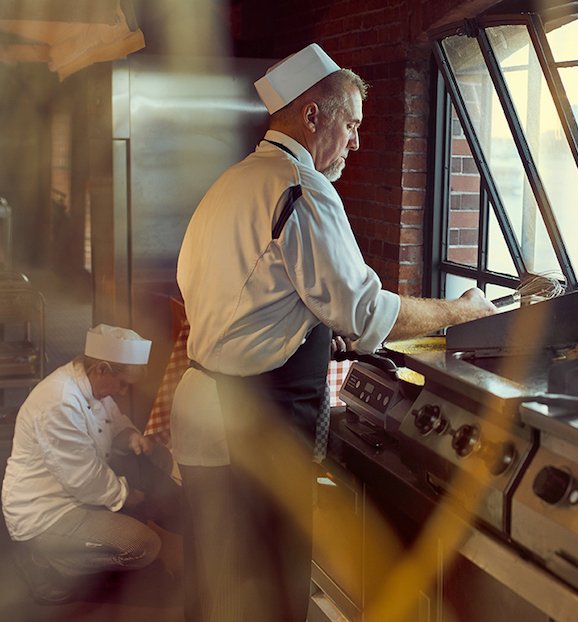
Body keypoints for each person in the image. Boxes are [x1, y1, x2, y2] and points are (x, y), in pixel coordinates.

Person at [172, 42, 495, 621]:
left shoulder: (234, 183)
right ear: (313, 115)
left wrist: (310, 329)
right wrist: (460, 313)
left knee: (218, 585)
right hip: (250, 428)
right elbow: (367, 314)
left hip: (208, 414)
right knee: (266, 593)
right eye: (350, 123)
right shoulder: (301, 186)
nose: (355, 140)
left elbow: (253, 300)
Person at [1, 324, 181, 604]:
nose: (122, 392)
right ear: (102, 369)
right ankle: (46, 561)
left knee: (139, 498)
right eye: (122, 383)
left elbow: (113, 422)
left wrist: (132, 436)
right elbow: (84, 478)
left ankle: (92, 564)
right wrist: (126, 496)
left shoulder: (91, 387)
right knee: (144, 547)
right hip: (45, 512)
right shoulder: (60, 402)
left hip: (76, 496)